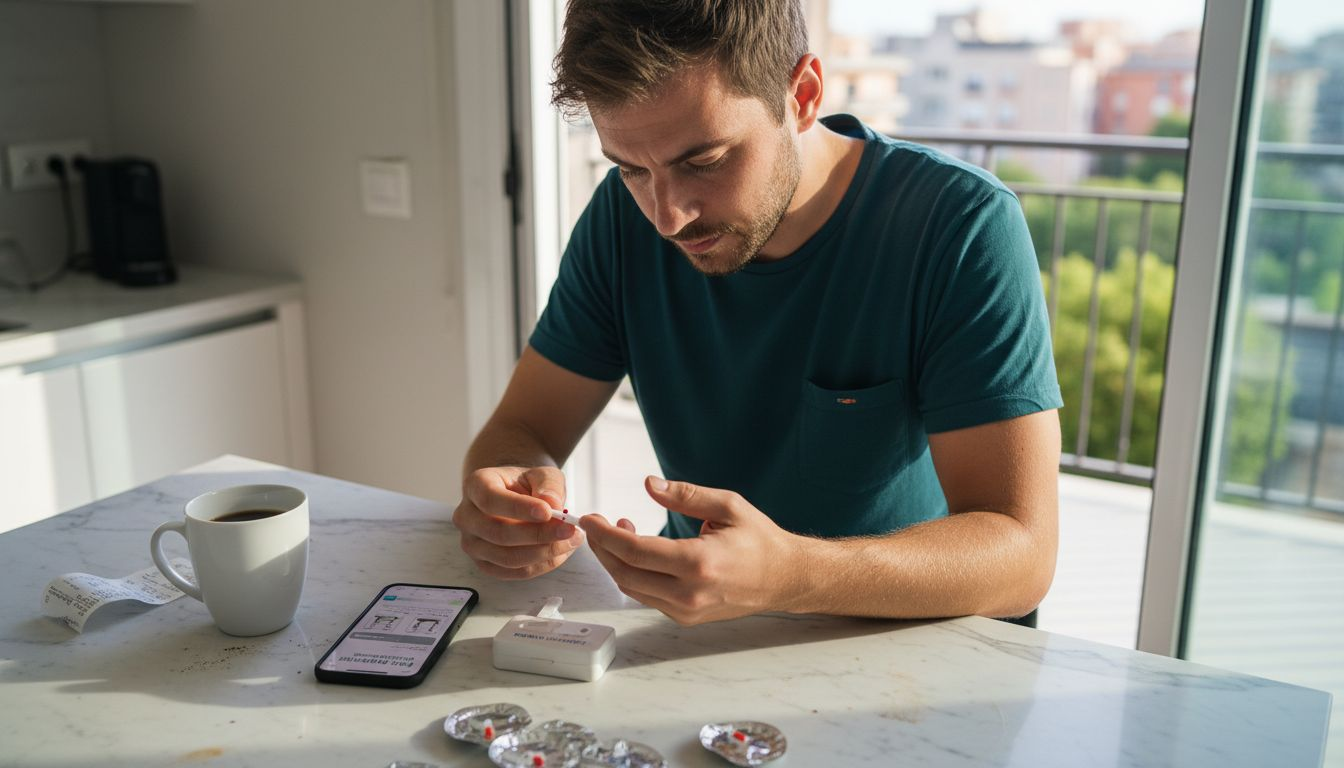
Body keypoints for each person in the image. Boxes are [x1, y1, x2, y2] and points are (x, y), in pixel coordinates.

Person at [452, 0, 1063, 626]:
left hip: (908, 649)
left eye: (705, 162)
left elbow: (1023, 556)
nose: (668, 217)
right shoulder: (619, 218)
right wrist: (508, 494)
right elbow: (524, 428)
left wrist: (792, 576)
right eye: (632, 169)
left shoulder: (960, 224)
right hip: (700, 634)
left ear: (802, 94)